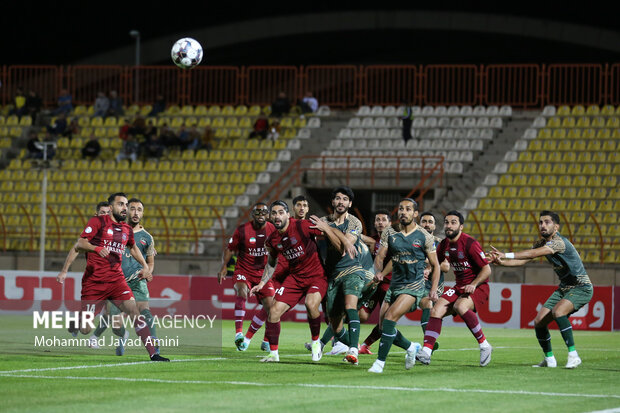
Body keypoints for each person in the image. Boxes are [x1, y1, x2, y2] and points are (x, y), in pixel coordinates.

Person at [68, 192, 168, 361]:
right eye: (121, 204)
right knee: (85, 329)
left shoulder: (126, 229)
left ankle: (153, 353)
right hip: (95, 283)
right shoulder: (98, 222)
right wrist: (97, 248)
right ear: (111, 207)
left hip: (117, 282)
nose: (124, 208)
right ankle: (78, 321)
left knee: (136, 312)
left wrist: (145, 267)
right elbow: (81, 243)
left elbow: (134, 248)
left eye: (125, 204)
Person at [489, 210, 592, 369]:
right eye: (541, 222)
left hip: (581, 287)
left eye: (547, 222)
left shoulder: (559, 242)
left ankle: (573, 355)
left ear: (556, 227)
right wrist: (500, 262)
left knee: (558, 312)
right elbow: (524, 260)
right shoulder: (541, 243)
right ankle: (549, 359)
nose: (542, 225)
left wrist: (506, 254)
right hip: (564, 288)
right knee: (539, 322)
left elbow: (534, 253)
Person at [250, 200, 328, 363]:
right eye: (274, 213)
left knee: (310, 304)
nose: (277, 216)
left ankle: (315, 343)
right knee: (273, 312)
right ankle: (273, 354)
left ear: (287, 214)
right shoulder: (272, 240)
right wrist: (263, 283)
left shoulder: (302, 226)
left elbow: (327, 234)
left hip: (316, 275)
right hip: (295, 278)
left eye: (280, 212)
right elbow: (271, 262)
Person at [368, 198, 439, 373]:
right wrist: (379, 272)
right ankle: (410, 347)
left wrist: (432, 290)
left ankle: (379, 363)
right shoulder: (389, 233)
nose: (403, 212)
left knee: (390, 317)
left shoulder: (424, 236)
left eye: (408, 209)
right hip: (394, 285)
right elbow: (383, 257)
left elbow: (436, 265)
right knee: (384, 326)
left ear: (415, 214)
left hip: (413, 286)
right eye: (400, 209)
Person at [417, 210, 493, 367]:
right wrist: (433, 285)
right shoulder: (444, 244)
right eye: (447, 222)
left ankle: (485, 345)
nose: (449, 226)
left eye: (453, 223)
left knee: (460, 306)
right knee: (436, 310)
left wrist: (473, 284)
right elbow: (436, 265)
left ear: (461, 226)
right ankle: (426, 351)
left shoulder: (470, 244)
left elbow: (487, 270)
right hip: (459, 287)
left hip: (479, 286)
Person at [89, 198, 159, 356]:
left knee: (144, 311)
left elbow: (150, 262)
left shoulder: (147, 238)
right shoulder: (115, 230)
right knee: (115, 323)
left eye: (139, 210)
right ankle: (122, 336)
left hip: (137, 281)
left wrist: (148, 271)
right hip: (117, 283)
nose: (135, 213)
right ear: (126, 211)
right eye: (132, 209)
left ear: (142, 213)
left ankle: (154, 345)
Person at [247, 195, 311, 352]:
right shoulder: (279, 224)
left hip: (302, 274)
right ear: (292, 209)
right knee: (271, 307)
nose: (301, 208)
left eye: (304, 205)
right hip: (278, 273)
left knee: (313, 306)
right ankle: (255, 339)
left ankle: (332, 341)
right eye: (298, 205)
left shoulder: (306, 227)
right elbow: (271, 253)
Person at [314, 186, 365, 365]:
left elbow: (343, 248)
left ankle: (352, 351)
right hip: (333, 274)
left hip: (352, 270)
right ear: (333, 202)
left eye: (345, 199)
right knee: (334, 322)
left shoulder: (354, 223)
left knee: (350, 306)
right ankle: (353, 344)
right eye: (338, 198)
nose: (341, 202)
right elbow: (309, 233)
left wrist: (327, 229)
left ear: (350, 204)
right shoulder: (323, 220)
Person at [218, 203, 276, 351]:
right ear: (253, 215)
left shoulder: (273, 230)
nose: (261, 215)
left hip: (264, 274)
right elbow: (230, 249)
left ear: (268, 215)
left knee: (271, 307)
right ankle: (238, 334)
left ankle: (248, 339)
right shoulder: (242, 230)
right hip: (244, 271)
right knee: (241, 291)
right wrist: (224, 266)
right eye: (257, 212)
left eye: (264, 212)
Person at [358, 209, 394, 355]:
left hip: (389, 285)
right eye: (378, 220)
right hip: (373, 284)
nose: (380, 222)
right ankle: (342, 341)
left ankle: (365, 344)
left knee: (385, 322)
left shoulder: (395, 240)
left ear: (390, 223)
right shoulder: (372, 241)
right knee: (362, 315)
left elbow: (395, 260)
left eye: (384, 220)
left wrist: (382, 274)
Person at [57, 201, 111, 284]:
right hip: (95, 277)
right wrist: (64, 271)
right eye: (102, 213)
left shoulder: (118, 230)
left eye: (108, 213)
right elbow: (76, 248)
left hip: (115, 278)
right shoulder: (91, 232)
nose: (105, 216)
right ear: (96, 215)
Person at [417, 212, 445, 345]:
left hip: (433, 285)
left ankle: (429, 344)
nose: (427, 224)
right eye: (424, 221)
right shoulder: (412, 241)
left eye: (430, 222)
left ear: (434, 226)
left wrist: (430, 264)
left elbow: (445, 266)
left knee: (427, 303)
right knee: (390, 313)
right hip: (413, 283)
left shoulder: (440, 244)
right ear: (419, 224)